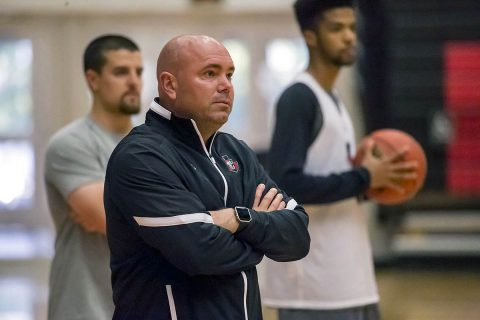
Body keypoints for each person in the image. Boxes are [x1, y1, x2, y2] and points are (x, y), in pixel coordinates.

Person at [103, 34, 310, 320]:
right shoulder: (140, 156)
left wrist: (238, 219)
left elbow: (297, 236)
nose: (226, 85)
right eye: (210, 74)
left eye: (230, 75)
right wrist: (261, 236)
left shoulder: (235, 151)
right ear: (170, 85)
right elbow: (200, 253)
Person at [262, 1, 418, 319]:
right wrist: (363, 178)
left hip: (349, 278)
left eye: (352, 28)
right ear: (311, 36)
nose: (349, 37)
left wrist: (375, 182)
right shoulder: (298, 98)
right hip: (315, 288)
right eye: (336, 28)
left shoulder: (333, 99)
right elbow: (286, 184)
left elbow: (329, 176)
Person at [44, 34, 143, 320]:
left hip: (140, 306)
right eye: (121, 72)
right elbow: (109, 220)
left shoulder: (153, 145)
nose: (134, 81)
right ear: (93, 79)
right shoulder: (70, 144)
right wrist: (176, 217)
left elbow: (165, 223)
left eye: (138, 71)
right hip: (85, 307)